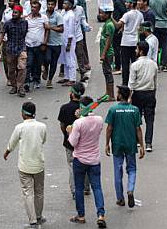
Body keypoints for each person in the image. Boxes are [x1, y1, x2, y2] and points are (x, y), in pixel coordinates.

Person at [4, 101, 47, 229]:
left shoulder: (20, 128)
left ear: (23, 113)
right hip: (39, 164)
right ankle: (39, 217)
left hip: (24, 166)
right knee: (39, 191)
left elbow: (12, 143)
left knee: (28, 192)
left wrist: (7, 152)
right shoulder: (42, 126)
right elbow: (43, 140)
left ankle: (33, 221)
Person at [68, 96, 107, 227]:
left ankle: (81, 215)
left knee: (79, 188)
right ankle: (101, 214)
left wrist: (70, 131)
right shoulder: (99, 120)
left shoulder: (78, 123)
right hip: (94, 159)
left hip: (80, 159)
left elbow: (73, 142)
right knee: (97, 187)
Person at [105, 85, 145, 209]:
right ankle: (130, 189)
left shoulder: (113, 109)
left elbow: (109, 128)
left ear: (120, 95)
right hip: (130, 144)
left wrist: (107, 144)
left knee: (118, 171)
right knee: (132, 169)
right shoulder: (134, 110)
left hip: (117, 144)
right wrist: (142, 145)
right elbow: (138, 129)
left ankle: (120, 198)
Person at [58, 82, 86, 199]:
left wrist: (66, 134)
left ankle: (75, 190)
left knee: (71, 165)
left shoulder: (64, 108)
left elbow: (62, 125)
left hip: (69, 142)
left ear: (72, 94)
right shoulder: (84, 108)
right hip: (83, 142)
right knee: (85, 163)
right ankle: (86, 187)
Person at [129, 41, 158, 151]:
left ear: (140, 51)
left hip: (138, 93)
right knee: (149, 119)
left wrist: (129, 97)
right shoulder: (153, 64)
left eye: (137, 49)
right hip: (150, 93)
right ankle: (148, 143)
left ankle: (137, 141)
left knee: (136, 118)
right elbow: (155, 82)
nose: (135, 51)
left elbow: (131, 83)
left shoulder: (135, 65)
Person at [0, 5, 29, 97]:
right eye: (13, 12)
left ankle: (20, 87)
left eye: (16, 12)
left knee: (22, 68)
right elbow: (2, 33)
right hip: (10, 49)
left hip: (21, 48)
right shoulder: (8, 23)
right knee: (11, 70)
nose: (14, 14)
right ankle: (14, 86)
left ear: (20, 14)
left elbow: (25, 33)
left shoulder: (24, 23)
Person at [116, 0, 143, 85]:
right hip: (135, 42)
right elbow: (141, 28)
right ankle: (135, 81)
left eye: (128, 2)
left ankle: (125, 83)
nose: (126, 4)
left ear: (132, 4)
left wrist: (111, 17)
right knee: (135, 64)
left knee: (125, 65)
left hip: (126, 42)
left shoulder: (127, 15)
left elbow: (118, 25)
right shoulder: (140, 14)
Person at [44, 0, 65, 89]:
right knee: (47, 59)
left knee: (53, 62)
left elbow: (61, 29)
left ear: (55, 5)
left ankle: (50, 80)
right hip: (46, 42)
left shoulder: (58, 16)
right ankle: (45, 68)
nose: (50, 6)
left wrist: (51, 27)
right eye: (48, 4)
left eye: (52, 4)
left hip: (56, 43)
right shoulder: (43, 14)